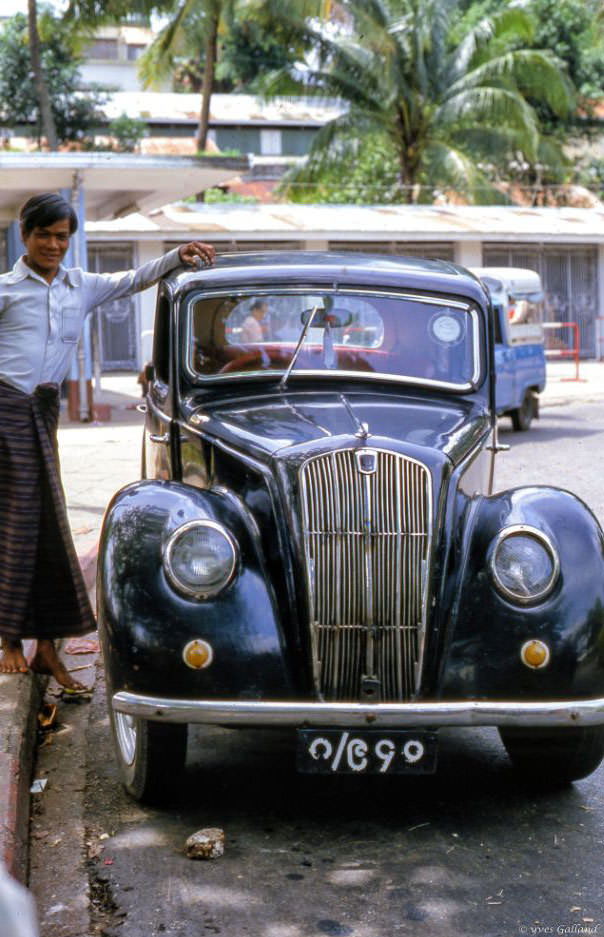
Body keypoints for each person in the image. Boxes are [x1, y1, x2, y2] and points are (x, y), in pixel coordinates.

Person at [0, 192, 216, 689]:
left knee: (48, 528)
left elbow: (133, 279)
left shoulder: (81, 286)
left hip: (43, 413)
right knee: (13, 524)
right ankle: (11, 640)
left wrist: (176, 256)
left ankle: (46, 650)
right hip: (7, 413)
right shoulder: (8, 289)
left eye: (62, 237)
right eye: (44, 235)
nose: (53, 245)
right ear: (24, 234)